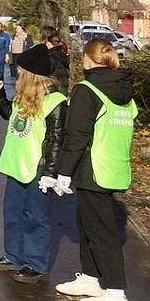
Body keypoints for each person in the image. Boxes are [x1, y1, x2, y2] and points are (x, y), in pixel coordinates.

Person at [54, 39, 138, 300]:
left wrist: (63, 173)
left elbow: (76, 135)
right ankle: (90, 279)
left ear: (87, 60)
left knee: (101, 231)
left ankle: (115, 290)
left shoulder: (86, 90)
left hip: (92, 168)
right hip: (115, 166)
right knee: (88, 224)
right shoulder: (124, 90)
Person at [0, 44, 67, 284]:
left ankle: (36, 263)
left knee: (36, 217)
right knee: (12, 214)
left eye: (21, 71)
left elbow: (56, 139)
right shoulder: (25, 97)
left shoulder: (56, 101)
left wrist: (51, 173)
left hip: (37, 168)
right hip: (15, 165)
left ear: (31, 74)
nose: (17, 74)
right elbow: (11, 115)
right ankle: (13, 256)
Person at [42, 26, 71, 94]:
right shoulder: (63, 54)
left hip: (53, 86)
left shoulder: (51, 57)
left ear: (49, 44)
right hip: (64, 85)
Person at [0, 20, 13, 99]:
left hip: (1, 57)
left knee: (0, 74)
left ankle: (1, 90)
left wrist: (7, 55)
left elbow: (7, 46)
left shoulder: (5, 36)